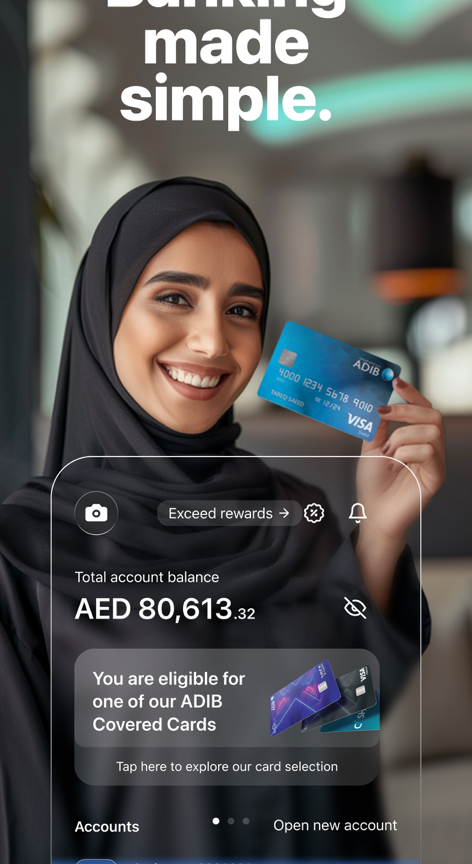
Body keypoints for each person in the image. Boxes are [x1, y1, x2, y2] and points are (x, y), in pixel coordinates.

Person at [0, 177, 445, 862]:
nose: (213, 340)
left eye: (242, 309)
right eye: (175, 297)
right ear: (103, 310)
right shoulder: (21, 555)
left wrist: (381, 531)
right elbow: (28, 825)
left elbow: (332, 728)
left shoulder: (298, 519)